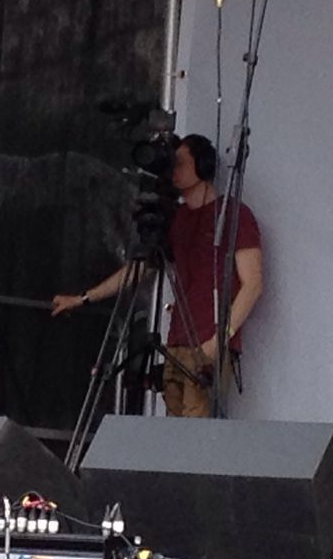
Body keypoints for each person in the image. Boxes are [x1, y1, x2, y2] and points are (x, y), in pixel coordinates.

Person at [52, 133, 263, 417]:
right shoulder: (174, 219)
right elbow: (139, 267)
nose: (173, 170)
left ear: (203, 166)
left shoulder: (234, 214)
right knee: (171, 439)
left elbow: (252, 285)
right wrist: (84, 298)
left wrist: (219, 339)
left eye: (180, 163)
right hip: (175, 344)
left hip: (209, 343)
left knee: (195, 435)